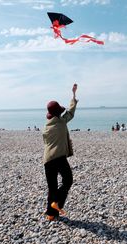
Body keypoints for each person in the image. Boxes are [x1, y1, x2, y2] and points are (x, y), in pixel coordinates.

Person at [42, 83, 78, 221]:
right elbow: (71, 112)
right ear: (58, 113)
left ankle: (51, 214)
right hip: (58, 158)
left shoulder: (46, 127)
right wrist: (73, 95)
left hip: (47, 160)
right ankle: (57, 204)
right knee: (68, 180)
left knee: (52, 187)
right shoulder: (61, 122)